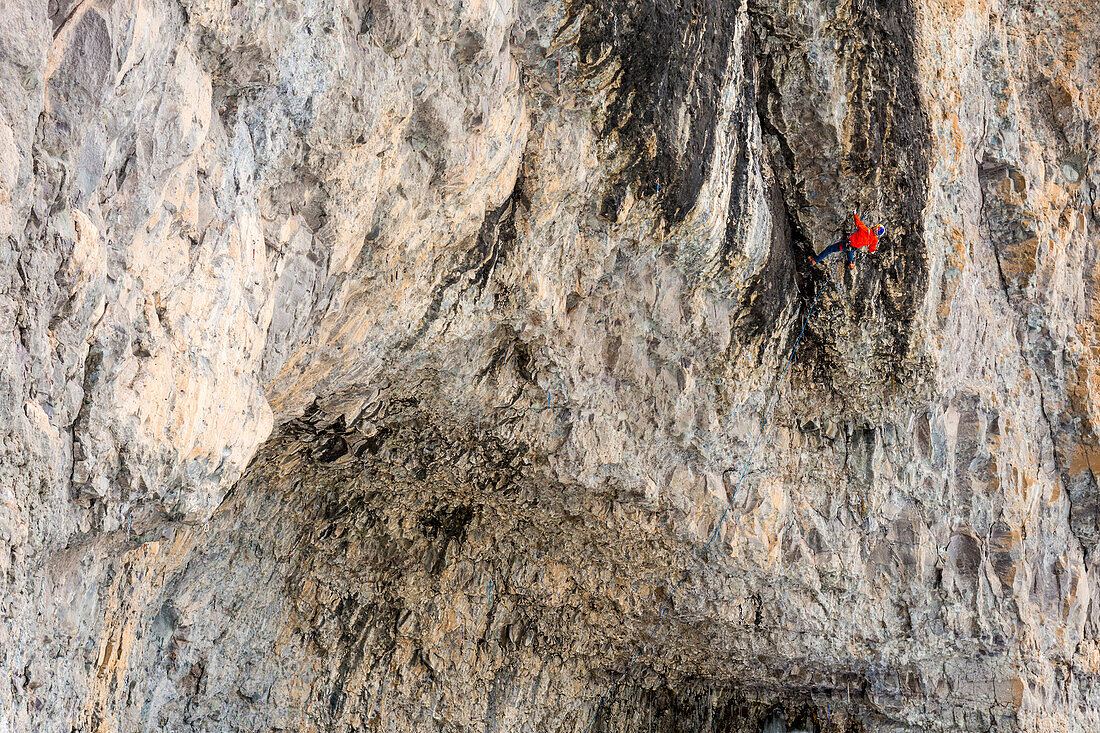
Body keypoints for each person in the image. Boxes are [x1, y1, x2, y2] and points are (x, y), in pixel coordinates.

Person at [810, 214, 885, 269]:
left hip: (846, 244)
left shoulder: (864, 230)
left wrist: (855, 214)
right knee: (850, 250)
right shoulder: (874, 240)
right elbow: (871, 250)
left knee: (830, 249)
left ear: (875, 228)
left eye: (876, 226)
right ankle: (851, 263)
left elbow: (858, 222)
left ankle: (814, 261)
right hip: (853, 247)